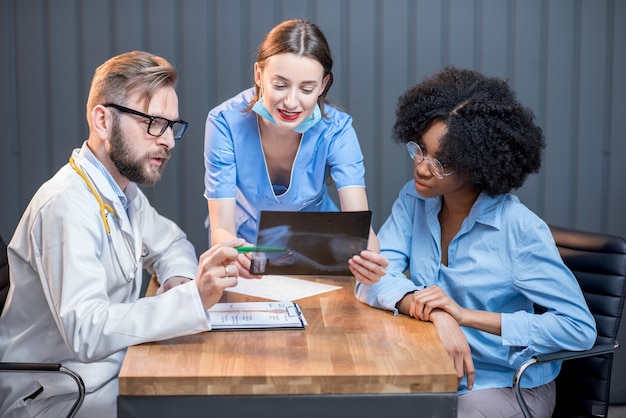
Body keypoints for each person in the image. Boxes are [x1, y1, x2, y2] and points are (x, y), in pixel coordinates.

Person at [0, 51, 246, 417]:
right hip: (59, 396)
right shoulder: (65, 205)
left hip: (113, 372)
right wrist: (193, 297)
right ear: (102, 120)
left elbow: (172, 242)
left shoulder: (122, 193)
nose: (169, 141)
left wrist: (179, 280)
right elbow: (87, 332)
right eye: (153, 123)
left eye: (172, 126)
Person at [355, 66, 596, 417]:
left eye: (442, 162)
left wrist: (466, 316)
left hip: (507, 384)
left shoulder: (519, 230)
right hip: (433, 373)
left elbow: (579, 329)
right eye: (420, 150)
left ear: (478, 164)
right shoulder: (416, 200)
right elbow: (375, 276)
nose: (422, 168)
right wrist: (439, 314)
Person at [203, 19, 388, 282]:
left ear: (323, 85)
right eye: (280, 85)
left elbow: (359, 224)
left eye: (307, 89)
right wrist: (237, 254)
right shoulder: (224, 122)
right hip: (245, 247)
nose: (291, 102)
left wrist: (369, 259)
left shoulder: (337, 130)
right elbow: (222, 227)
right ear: (259, 75)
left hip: (319, 251)